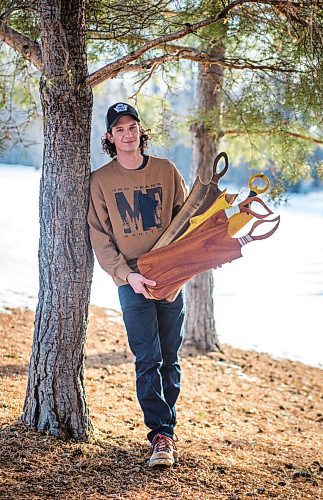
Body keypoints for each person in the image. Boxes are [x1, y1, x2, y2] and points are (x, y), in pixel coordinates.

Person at [88, 102, 187, 467]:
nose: (127, 134)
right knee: (148, 358)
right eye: (120, 129)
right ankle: (160, 434)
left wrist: (188, 264)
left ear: (140, 131)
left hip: (171, 277)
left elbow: (186, 219)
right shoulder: (100, 182)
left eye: (132, 127)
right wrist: (128, 276)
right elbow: (100, 237)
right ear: (110, 137)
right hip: (132, 281)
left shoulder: (166, 170)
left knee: (170, 359)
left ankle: (167, 431)